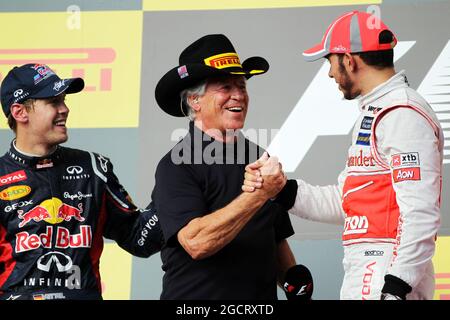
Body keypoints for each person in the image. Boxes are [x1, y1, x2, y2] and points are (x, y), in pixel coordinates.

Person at [243, 10, 444, 300]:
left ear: (349, 60)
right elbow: (351, 200)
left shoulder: (402, 114)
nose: (329, 73)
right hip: (372, 266)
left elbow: (420, 211)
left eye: (330, 62)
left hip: (385, 271)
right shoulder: (378, 112)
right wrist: (281, 190)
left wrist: (397, 286)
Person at [152, 34, 296, 299]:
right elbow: (197, 242)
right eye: (225, 87)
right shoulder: (175, 165)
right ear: (195, 101)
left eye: (241, 85)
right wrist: (259, 195)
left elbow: (274, 238)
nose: (238, 95)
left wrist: (292, 279)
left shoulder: (259, 155)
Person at [0, 64, 163, 300]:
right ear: (19, 112)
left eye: (64, 101)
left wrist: (176, 186)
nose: (65, 109)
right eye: (53, 102)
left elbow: (140, 238)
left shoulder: (94, 168)